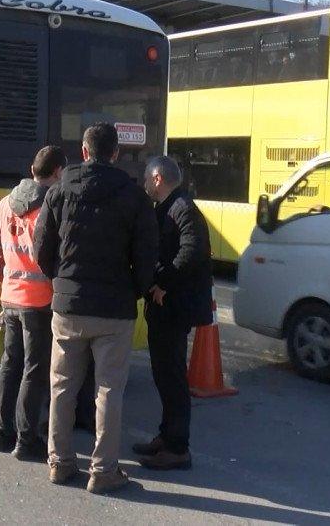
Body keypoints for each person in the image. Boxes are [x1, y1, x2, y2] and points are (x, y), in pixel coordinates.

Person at [33, 123, 159, 494]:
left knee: (62, 387)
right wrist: (134, 289)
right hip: (115, 309)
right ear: (115, 153)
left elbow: (42, 248)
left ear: (84, 152)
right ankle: (103, 471)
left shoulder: (58, 191)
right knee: (108, 390)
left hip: (69, 306)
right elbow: (147, 254)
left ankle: (60, 461)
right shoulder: (134, 196)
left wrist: (62, 281)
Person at [134, 156, 214, 471]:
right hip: (164, 308)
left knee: (172, 379)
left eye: (145, 178)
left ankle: (178, 448)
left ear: (157, 179)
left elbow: (192, 252)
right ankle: (166, 437)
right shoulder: (167, 207)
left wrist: (163, 282)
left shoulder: (183, 208)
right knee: (163, 375)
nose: (143, 184)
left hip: (175, 308)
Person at [0, 145, 68, 462]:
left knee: (9, 364)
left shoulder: (4, 204)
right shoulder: (50, 205)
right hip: (39, 300)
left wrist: (7, 286)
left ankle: (1, 433)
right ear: (58, 172)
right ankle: (26, 439)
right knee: (34, 371)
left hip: (10, 295)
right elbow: (54, 257)